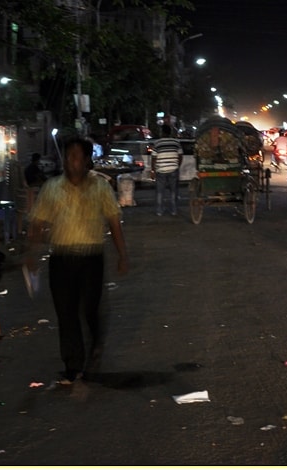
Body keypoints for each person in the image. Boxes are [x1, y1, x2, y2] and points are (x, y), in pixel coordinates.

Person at [26, 136, 129, 385]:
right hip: (61, 259)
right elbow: (38, 223)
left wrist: (122, 254)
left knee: (89, 310)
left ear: (86, 161)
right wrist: (32, 253)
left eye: (77, 156)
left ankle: (93, 345)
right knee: (66, 313)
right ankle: (73, 365)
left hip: (91, 259)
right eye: (69, 156)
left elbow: (114, 221)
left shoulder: (100, 188)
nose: (72, 161)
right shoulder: (51, 188)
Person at [151, 124, 183, 216]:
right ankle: (174, 210)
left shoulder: (157, 143)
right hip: (173, 169)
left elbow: (153, 158)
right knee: (173, 191)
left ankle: (159, 211)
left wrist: (153, 170)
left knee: (160, 192)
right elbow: (180, 156)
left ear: (162, 132)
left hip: (160, 170)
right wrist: (177, 165)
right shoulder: (176, 142)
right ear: (169, 132)